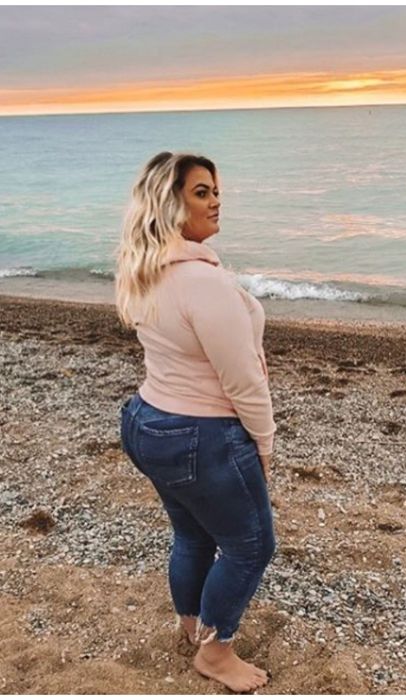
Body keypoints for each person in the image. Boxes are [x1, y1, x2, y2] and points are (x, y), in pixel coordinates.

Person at [115, 152, 276, 692]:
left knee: (192, 531)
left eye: (215, 190)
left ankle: (192, 626)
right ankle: (215, 652)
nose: (216, 200)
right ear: (170, 203)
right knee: (252, 545)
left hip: (147, 420)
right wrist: (265, 443)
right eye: (201, 192)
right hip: (199, 434)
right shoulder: (200, 283)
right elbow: (243, 382)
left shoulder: (144, 267)